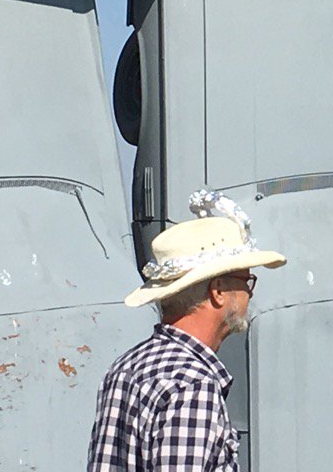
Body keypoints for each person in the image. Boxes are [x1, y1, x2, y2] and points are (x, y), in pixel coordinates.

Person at [87, 191, 287, 472]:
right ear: (218, 291)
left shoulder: (126, 367)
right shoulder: (193, 384)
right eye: (246, 281)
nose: (249, 294)